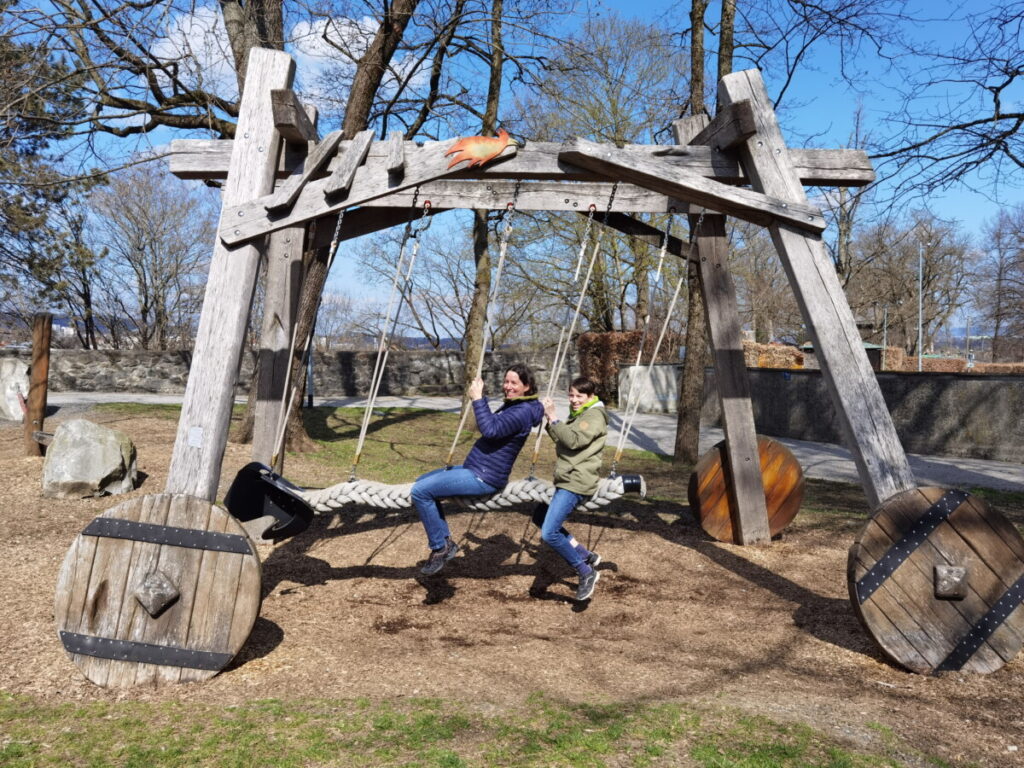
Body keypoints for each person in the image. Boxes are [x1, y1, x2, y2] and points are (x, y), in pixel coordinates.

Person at [411, 363, 544, 576]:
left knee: (421, 492)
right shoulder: (517, 406)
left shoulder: (522, 411)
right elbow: (494, 425)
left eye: (514, 383)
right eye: (506, 381)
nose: (507, 386)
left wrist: (477, 398)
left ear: (527, 387)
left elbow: (490, 430)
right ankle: (444, 539)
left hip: (484, 477)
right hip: (476, 469)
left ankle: (440, 547)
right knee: (422, 481)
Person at [532, 376, 608, 601]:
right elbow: (562, 438)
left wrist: (555, 417)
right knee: (540, 515)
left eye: (579, 396)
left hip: (577, 480)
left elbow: (574, 441)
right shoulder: (581, 413)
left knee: (549, 532)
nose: (574, 400)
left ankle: (585, 571)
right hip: (566, 478)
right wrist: (549, 419)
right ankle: (586, 554)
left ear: (591, 396)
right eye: (571, 395)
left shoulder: (594, 415)